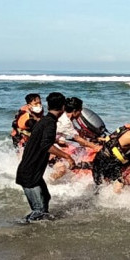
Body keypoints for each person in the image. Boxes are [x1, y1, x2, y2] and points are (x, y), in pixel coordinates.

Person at [15, 92, 75, 223]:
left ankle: (39, 234)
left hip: (32, 172)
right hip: (29, 174)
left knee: (46, 198)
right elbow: (46, 145)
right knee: (38, 211)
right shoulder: (49, 123)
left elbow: (42, 142)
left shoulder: (45, 121)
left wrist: (57, 143)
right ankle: (19, 232)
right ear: (63, 107)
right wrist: (68, 157)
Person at [92, 111, 130, 193]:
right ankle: (115, 203)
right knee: (118, 185)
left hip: (100, 159)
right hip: (108, 162)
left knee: (99, 188)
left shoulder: (127, 129)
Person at [50, 97, 103, 181]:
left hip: (55, 144)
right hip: (50, 149)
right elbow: (79, 139)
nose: (81, 112)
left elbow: (76, 132)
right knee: (62, 169)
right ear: (74, 111)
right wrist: (96, 147)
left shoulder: (64, 117)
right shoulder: (66, 122)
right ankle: (48, 182)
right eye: (80, 110)